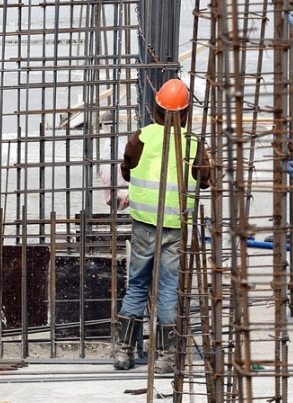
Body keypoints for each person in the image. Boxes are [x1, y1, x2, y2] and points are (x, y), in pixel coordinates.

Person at [112, 78, 210, 374]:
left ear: (156, 109)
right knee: (169, 288)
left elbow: (126, 170)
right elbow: (206, 179)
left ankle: (123, 352)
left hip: (144, 225)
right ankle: (167, 357)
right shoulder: (193, 143)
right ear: (185, 112)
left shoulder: (141, 137)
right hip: (176, 228)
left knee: (138, 285)